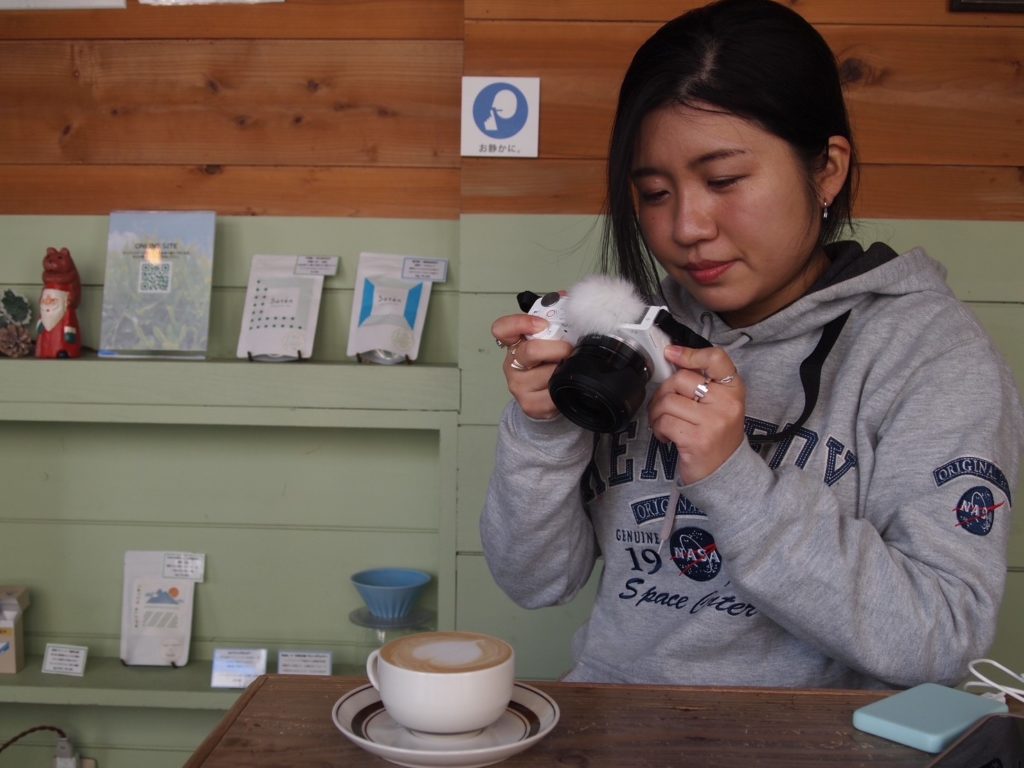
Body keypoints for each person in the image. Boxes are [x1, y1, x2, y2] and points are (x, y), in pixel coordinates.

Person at [481, 0, 1023, 689]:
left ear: (826, 170)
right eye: (655, 192)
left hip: (812, 737)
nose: (687, 226)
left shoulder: (931, 358)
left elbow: (940, 637)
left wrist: (734, 478)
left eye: (723, 181)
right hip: (617, 720)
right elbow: (534, 581)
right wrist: (544, 430)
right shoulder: (634, 338)